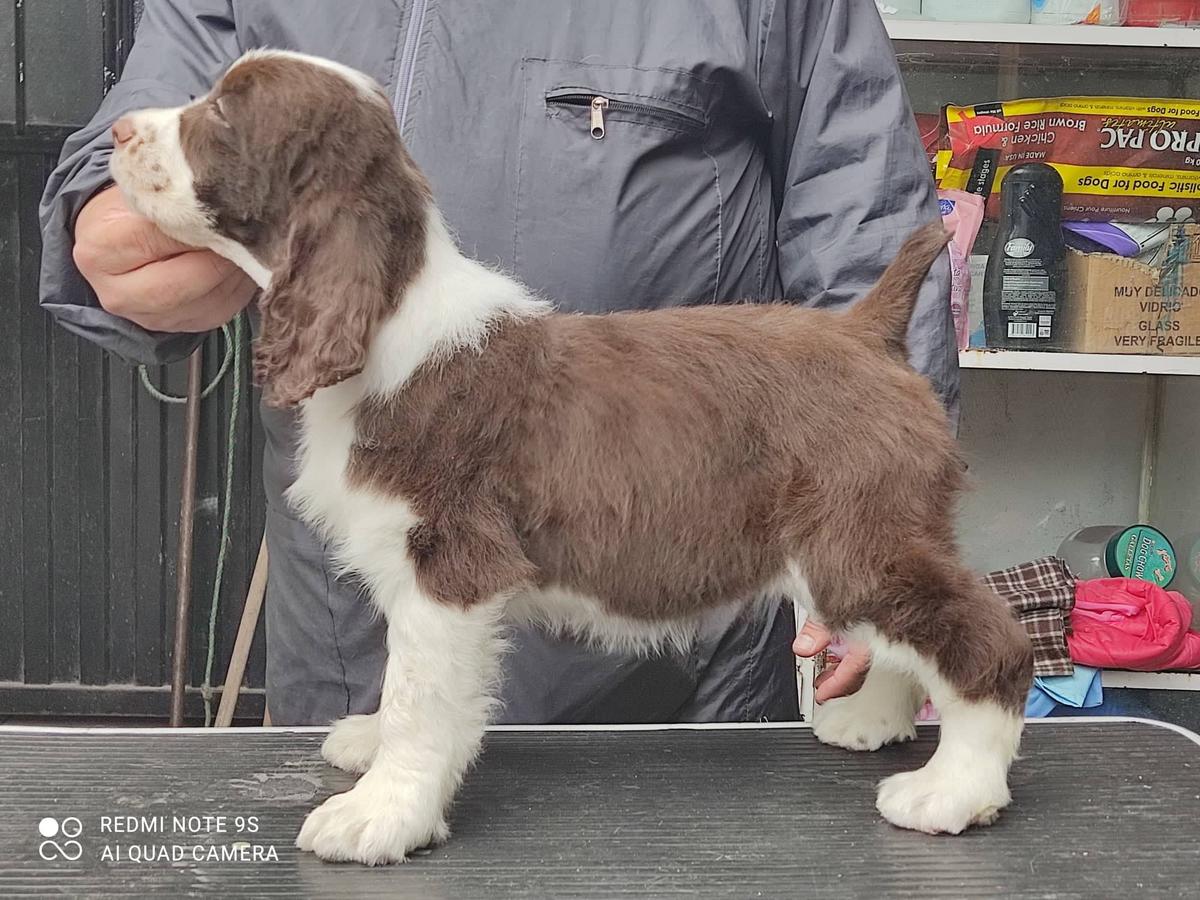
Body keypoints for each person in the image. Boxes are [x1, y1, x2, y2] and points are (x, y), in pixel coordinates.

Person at [40, 0, 955, 726]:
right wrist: (110, 222)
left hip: (670, 635)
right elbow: (130, 139)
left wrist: (885, 520)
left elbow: (865, 229)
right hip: (351, 638)